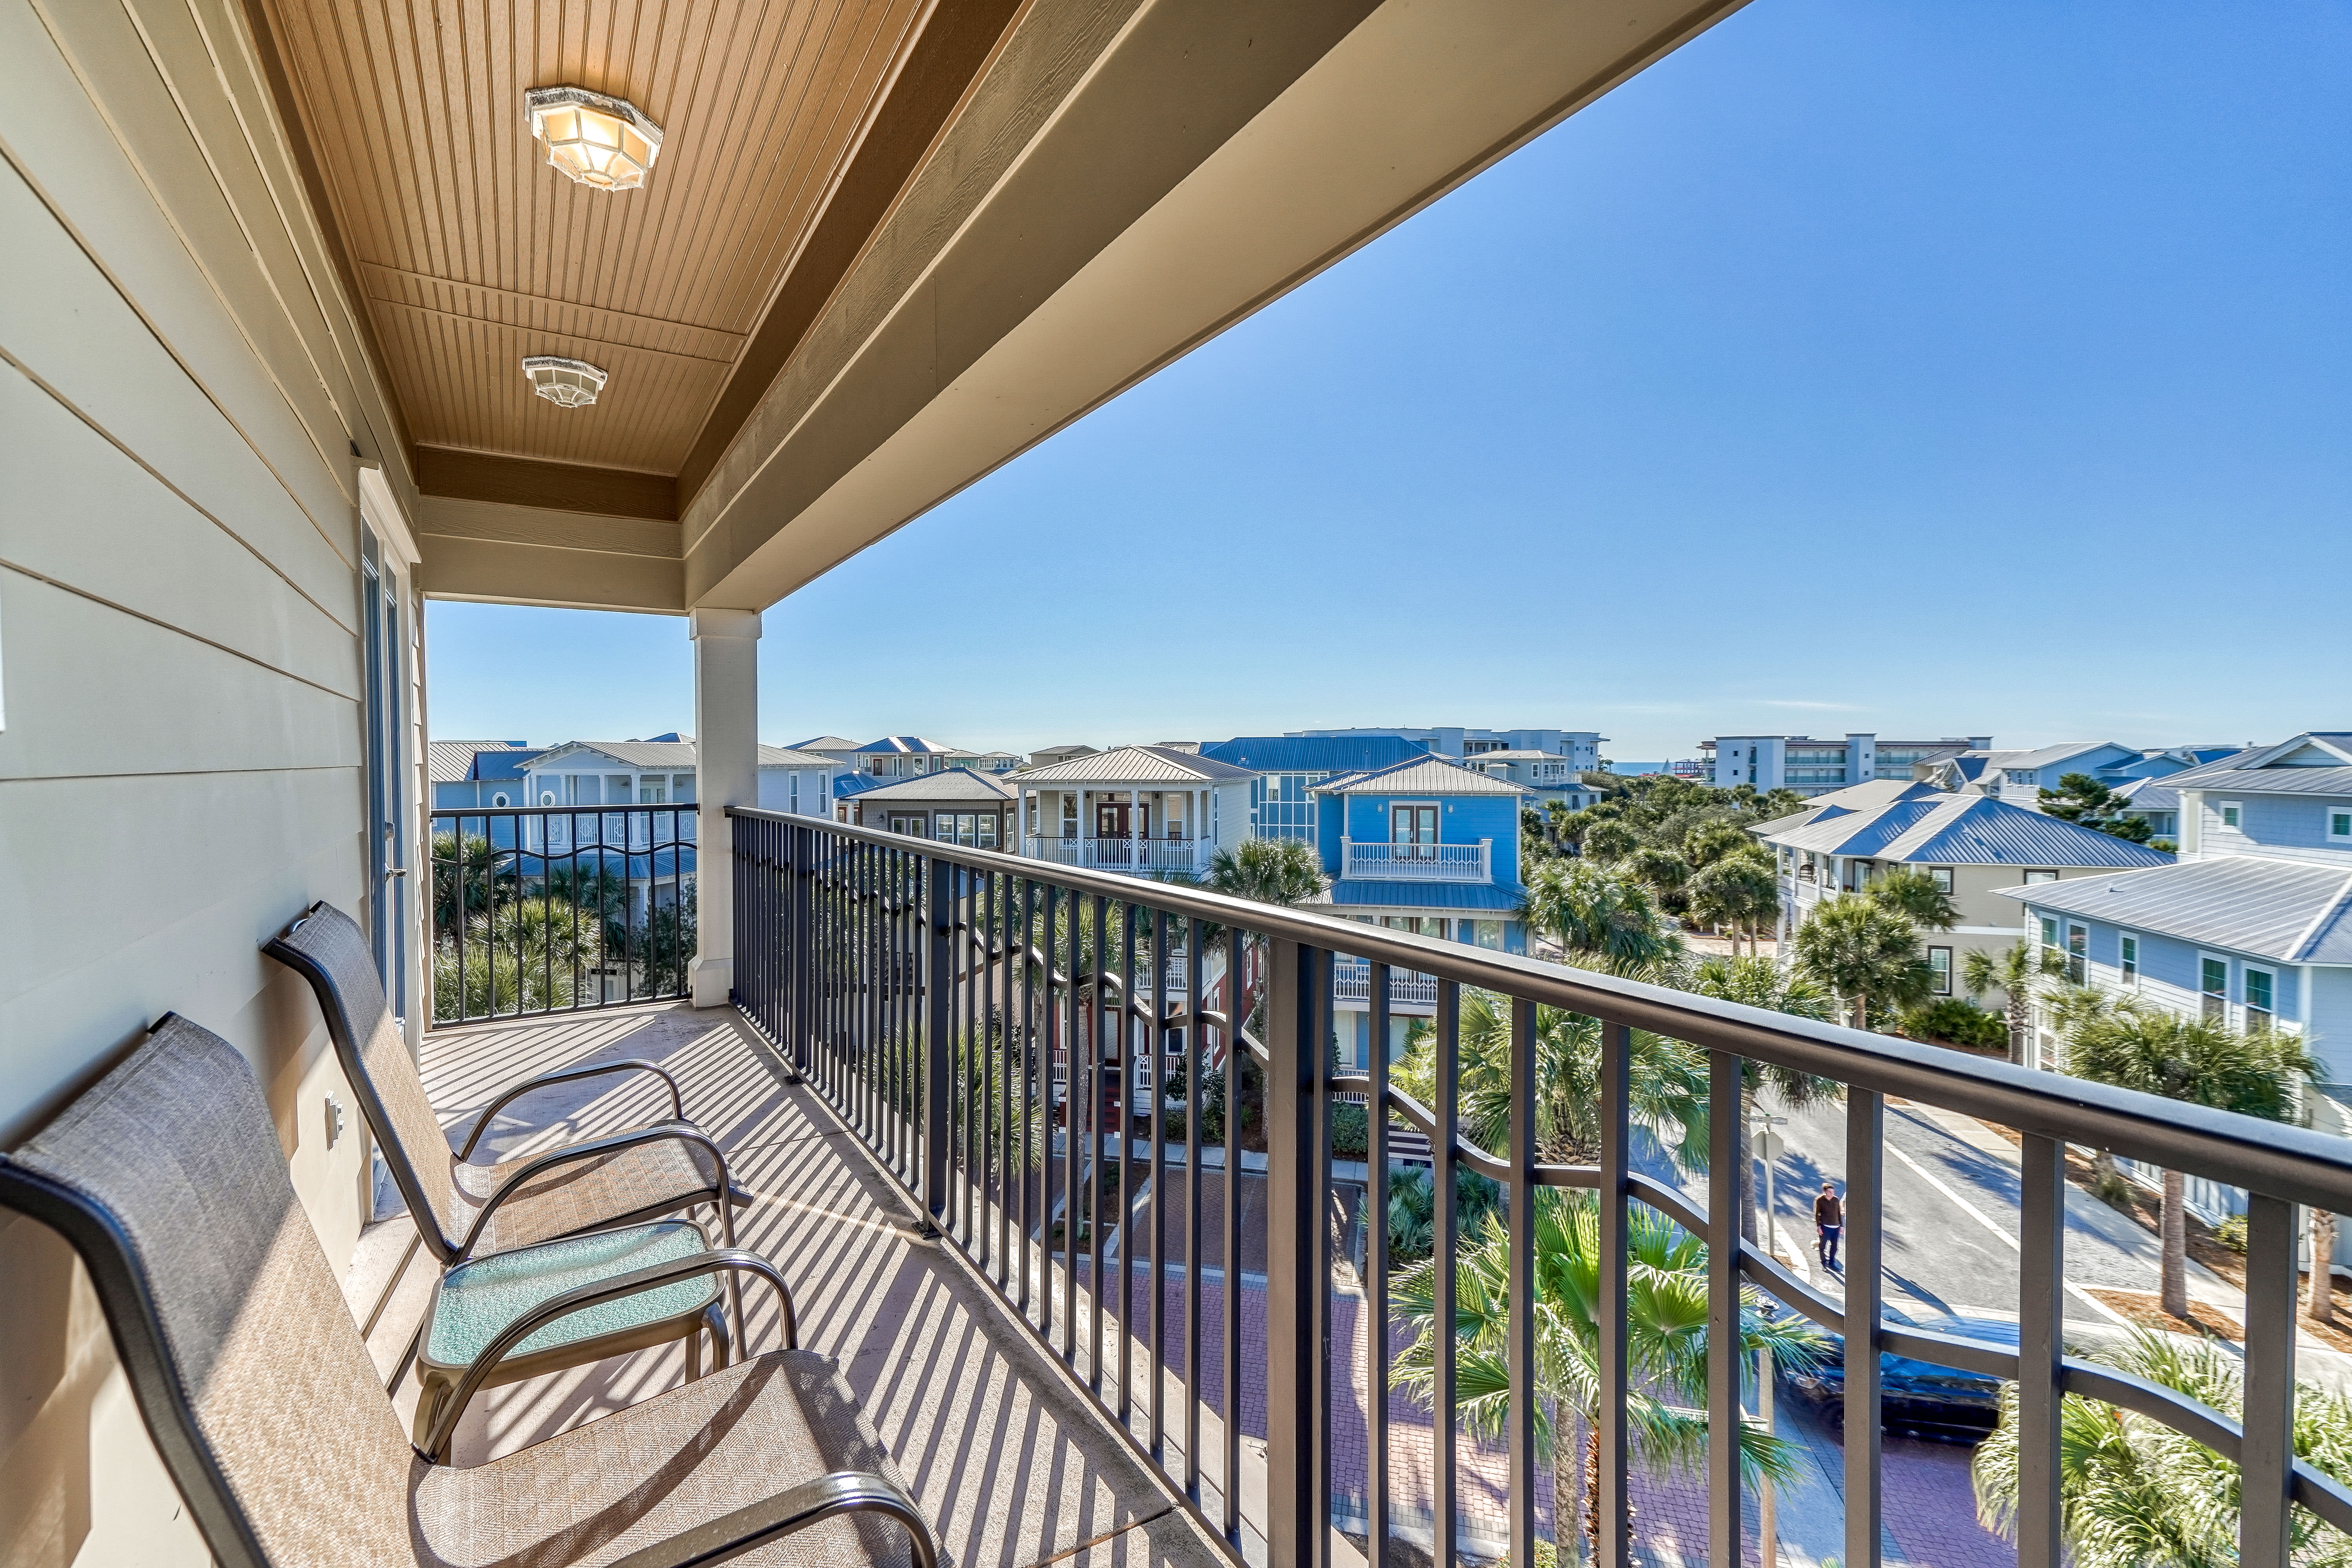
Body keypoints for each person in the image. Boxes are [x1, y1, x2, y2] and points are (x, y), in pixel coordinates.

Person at [1814, 1180, 1843, 1270]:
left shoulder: (1836, 1200)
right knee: (1823, 1246)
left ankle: (1832, 1262)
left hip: (1836, 1227)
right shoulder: (1820, 1200)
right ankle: (1824, 1263)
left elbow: (1839, 1213)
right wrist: (1819, 1227)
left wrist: (1842, 1226)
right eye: (1830, 1192)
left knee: (1835, 1246)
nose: (1832, 1194)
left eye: (1833, 1192)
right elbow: (1817, 1214)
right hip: (1825, 1227)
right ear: (1825, 1192)